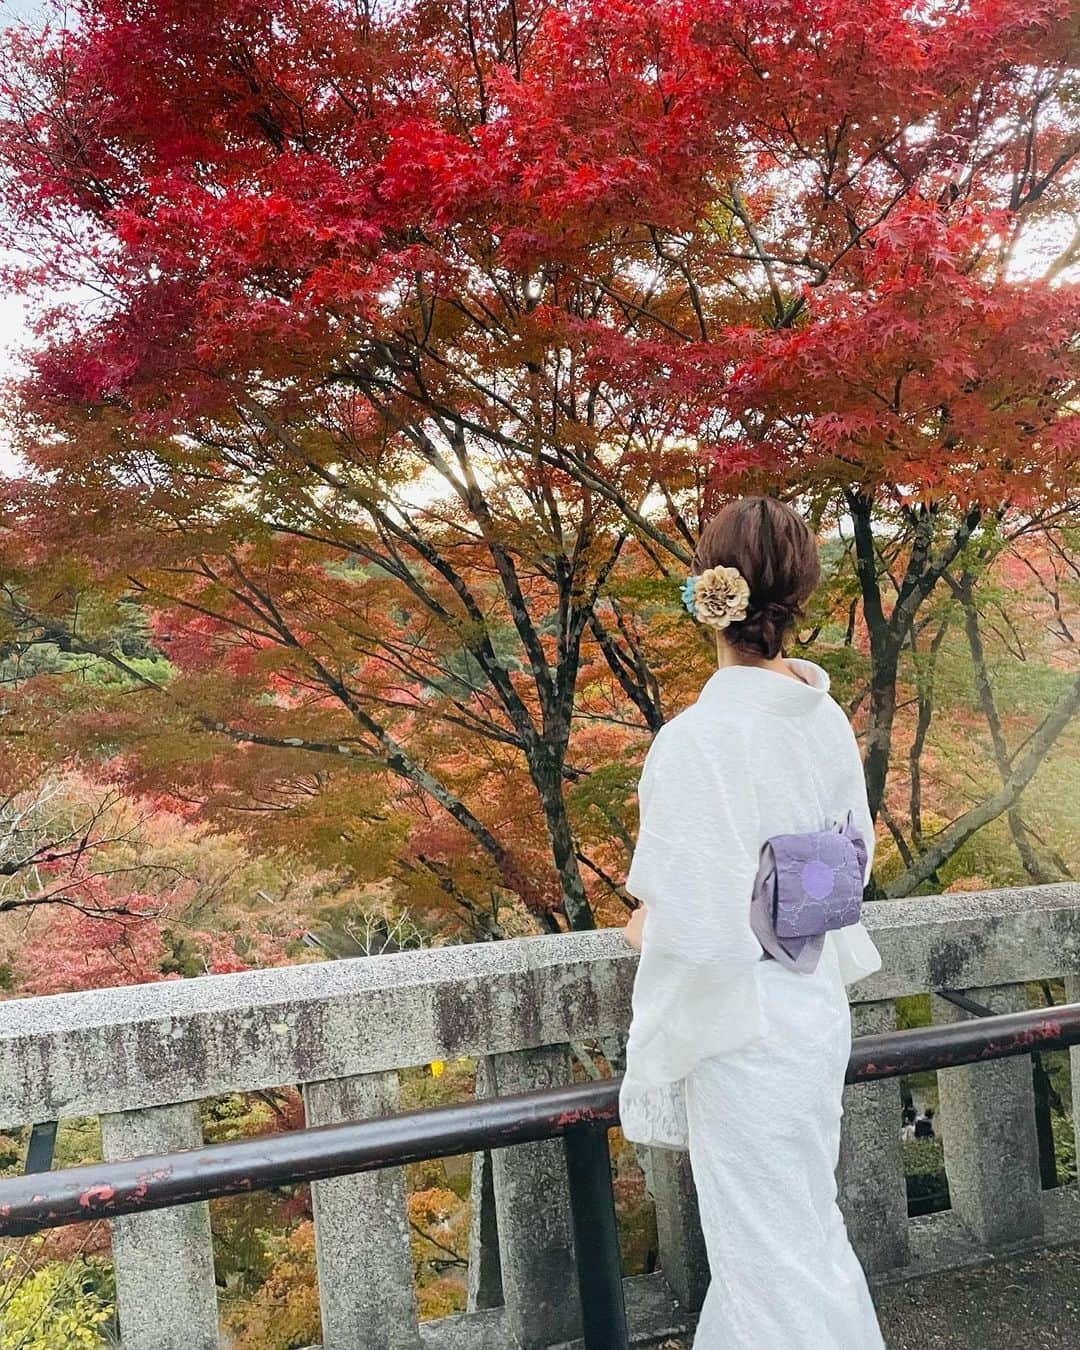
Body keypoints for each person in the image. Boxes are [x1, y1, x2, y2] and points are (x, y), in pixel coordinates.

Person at [619, 496, 886, 1350]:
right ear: (798, 594)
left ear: (707, 589)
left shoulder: (696, 740)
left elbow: (690, 927)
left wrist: (650, 931)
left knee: (769, 1254)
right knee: (798, 1231)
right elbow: (853, 862)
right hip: (812, 1007)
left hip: (742, 1030)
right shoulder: (826, 717)